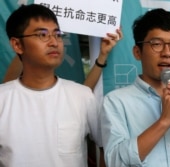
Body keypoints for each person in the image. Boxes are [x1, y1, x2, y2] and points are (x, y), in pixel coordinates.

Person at [0, 4, 121, 167]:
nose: (54, 42)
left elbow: (105, 147)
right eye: (42, 34)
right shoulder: (3, 99)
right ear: (17, 45)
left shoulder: (82, 96)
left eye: (57, 34)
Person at [100, 8, 170, 167]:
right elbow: (115, 162)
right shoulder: (115, 101)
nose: (167, 53)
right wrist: (164, 121)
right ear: (137, 52)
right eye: (157, 44)